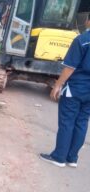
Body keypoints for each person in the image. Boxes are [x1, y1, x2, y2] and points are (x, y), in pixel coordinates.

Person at [40, 14, 90, 168]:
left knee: (67, 121)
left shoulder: (82, 40)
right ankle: (72, 158)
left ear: (89, 21)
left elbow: (70, 67)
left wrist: (58, 85)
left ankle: (59, 157)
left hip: (76, 87)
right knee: (82, 122)